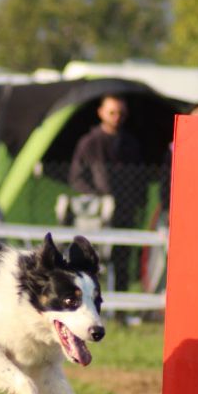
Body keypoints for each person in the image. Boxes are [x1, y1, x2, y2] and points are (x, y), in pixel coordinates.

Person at [66, 95, 143, 294]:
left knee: (123, 260)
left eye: (121, 113)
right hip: (98, 213)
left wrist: (137, 203)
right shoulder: (89, 143)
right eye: (112, 112)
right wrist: (98, 196)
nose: (117, 117)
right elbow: (76, 177)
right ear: (101, 113)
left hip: (126, 210)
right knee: (94, 260)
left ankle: (120, 311)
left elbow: (140, 179)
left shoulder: (131, 144)